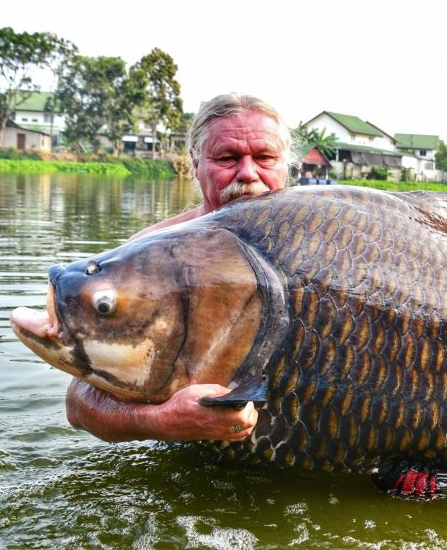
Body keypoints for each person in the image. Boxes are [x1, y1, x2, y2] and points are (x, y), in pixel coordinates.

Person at [65, 93, 296, 442]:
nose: (248, 173)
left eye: (264, 157)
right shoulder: (147, 256)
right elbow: (78, 403)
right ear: (195, 163)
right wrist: (160, 421)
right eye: (227, 158)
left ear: (286, 165)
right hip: (195, 457)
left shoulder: (330, 241)